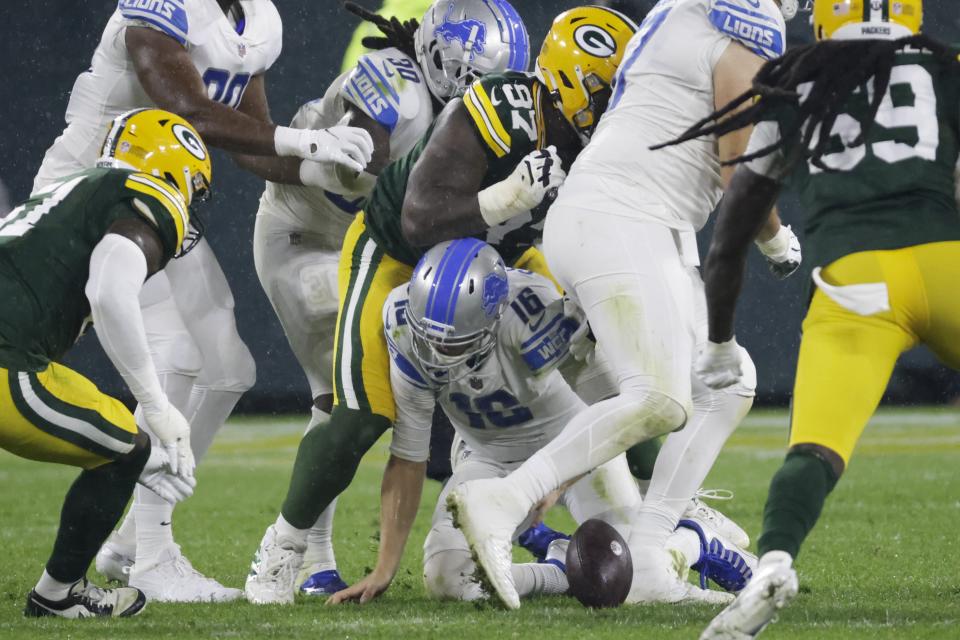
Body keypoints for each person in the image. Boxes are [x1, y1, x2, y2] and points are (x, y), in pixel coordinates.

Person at [243, 4, 634, 606]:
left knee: (610, 364)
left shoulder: (580, 136)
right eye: (606, 91)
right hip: (399, 248)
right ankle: (285, 547)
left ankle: (671, 520)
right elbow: (417, 217)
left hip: (495, 247)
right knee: (361, 410)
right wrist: (502, 199)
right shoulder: (447, 100)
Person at [446, 0, 806, 609]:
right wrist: (774, 237)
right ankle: (505, 499)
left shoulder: (685, 10)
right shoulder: (746, 16)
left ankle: (649, 557)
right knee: (659, 397)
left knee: (728, 381)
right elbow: (737, 153)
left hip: (633, 218)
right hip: (624, 217)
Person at [32, 0, 373, 602]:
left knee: (228, 367)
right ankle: (153, 555)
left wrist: (334, 171)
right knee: (179, 355)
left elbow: (252, 148)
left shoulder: (260, 21)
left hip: (156, 202)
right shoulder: (163, 6)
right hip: (90, 193)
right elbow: (186, 107)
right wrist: (309, 139)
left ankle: (131, 547)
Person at [652, 2, 956, 637]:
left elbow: (731, 234)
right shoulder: (944, 68)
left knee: (815, 446)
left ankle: (773, 564)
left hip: (855, 284)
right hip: (946, 261)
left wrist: (718, 342)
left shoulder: (796, 82)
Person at [329, 239, 756, 604]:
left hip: (573, 450)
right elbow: (408, 455)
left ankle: (694, 540)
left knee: (630, 580)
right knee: (446, 578)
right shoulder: (402, 323)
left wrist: (551, 481)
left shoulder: (530, 312)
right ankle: (558, 566)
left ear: (494, 317)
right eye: (433, 339)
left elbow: (611, 400)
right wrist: (384, 568)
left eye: (455, 342)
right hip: (487, 456)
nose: (439, 354)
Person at [251, 0, 513, 596]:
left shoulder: (446, 97)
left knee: (370, 389)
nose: (489, 98)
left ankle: (313, 555)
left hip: (371, 238)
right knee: (347, 396)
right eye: (480, 84)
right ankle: (296, 548)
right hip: (303, 235)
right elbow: (366, 154)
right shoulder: (399, 88)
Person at [1, 108, 208, 618]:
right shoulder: (148, 195)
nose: (191, 202)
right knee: (126, 448)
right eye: (194, 187)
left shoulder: (78, 187)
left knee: (119, 434)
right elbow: (110, 292)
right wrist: (155, 406)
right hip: (7, 361)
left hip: (14, 349)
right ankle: (58, 595)